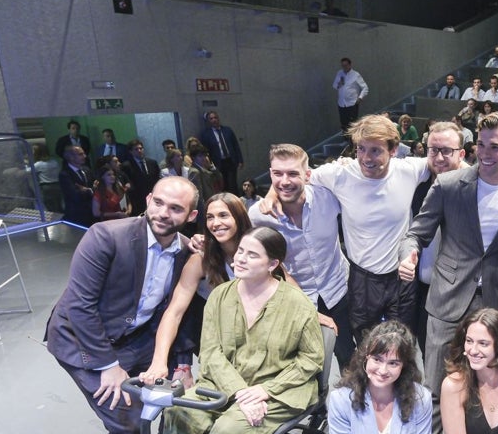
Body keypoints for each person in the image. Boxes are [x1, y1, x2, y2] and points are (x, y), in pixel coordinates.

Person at [44, 177, 199, 434]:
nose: (163, 213)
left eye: (175, 208)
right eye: (158, 203)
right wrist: (108, 365)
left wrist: (182, 362)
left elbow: (180, 309)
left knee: (173, 399)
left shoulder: (188, 251)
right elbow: (80, 307)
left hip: (137, 336)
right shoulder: (105, 236)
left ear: (190, 215)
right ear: (147, 199)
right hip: (83, 340)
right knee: (126, 421)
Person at [157, 227, 323, 434]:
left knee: (228, 432)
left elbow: (311, 361)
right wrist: (238, 394)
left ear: (273, 263)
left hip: (279, 392)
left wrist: (264, 391)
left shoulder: (297, 304)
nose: (240, 259)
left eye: (252, 254)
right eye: (240, 251)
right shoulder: (220, 296)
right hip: (225, 386)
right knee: (178, 410)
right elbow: (211, 353)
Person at [400, 114, 498, 406]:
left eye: (496, 147)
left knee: (490, 384)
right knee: (437, 385)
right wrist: (408, 255)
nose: (486, 154)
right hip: (448, 296)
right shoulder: (448, 185)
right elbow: (415, 234)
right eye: (481, 145)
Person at [267, 115, 429, 342]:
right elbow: (294, 178)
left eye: (375, 150)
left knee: (402, 344)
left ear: (393, 150)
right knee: (365, 345)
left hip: (401, 277)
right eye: (361, 149)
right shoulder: (340, 174)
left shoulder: (409, 169)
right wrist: (271, 193)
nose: (366, 158)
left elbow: (444, 163)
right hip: (363, 278)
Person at [251, 144, 353, 367]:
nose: (285, 181)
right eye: (278, 174)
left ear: (308, 175)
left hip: (336, 289)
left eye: (293, 173)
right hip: (296, 299)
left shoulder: (328, 196)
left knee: (348, 357)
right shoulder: (259, 216)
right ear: (270, 174)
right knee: (304, 365)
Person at [142, 192, 253, 388]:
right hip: (216, 338)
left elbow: (285, 283)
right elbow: (175, 312)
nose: (216, 223)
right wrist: (159, 361)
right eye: (210, 217)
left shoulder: (258, 249)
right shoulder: (201, 258)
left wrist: (314, 313)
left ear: (239, 217)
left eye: (223, 215)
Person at [200, 110, 243, 195]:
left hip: (230, 161)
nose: (214, 120)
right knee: (222, 184)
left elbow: (235, 145)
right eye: (211, 118)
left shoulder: (227, 130)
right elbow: (205, 151)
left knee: (232, 184)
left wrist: (240, 160)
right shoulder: (206, 135)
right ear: (208, 121)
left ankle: (236, 202)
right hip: (218, 163)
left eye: (215, 117)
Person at [122, 139, 161, 216]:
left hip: (153, 196)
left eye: (141, 148)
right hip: (137, 200)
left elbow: (157, 178)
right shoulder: (126, 166)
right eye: (136, 149)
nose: (139, 151)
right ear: (131, 151)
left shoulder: (152, 163)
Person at [58, 145, 95, 227]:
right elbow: (75, 195)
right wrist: (91, 190)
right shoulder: (65, 174)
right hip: (77, 215)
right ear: (71, 157)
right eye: (80, 154)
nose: (85, 156)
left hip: (92, 213)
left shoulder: (87, 170)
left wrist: (87, 190)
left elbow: (97, 186)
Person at [333, 57, 369, 133]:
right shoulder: (339, 73)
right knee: (344, 123)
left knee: (352, 124)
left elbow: (365, 88)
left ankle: (354, 140)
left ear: (350, 65)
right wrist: (339, 83)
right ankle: (346, 140)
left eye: (346, 65)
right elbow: (334, 86)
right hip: (341, 104)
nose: (344, 67)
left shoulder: (356, 75)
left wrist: (360, 98)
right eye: (343, 66)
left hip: (352, 103)